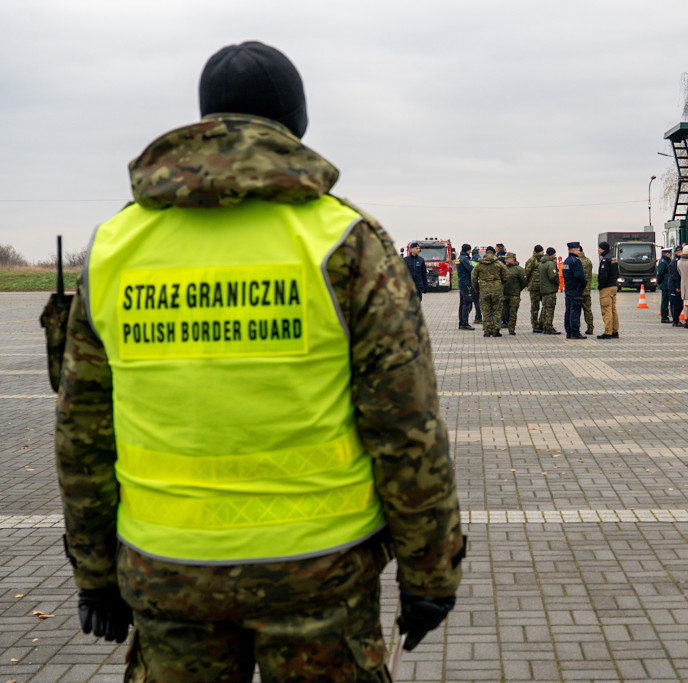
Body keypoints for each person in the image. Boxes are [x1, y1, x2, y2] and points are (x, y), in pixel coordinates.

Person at [52, 41, 464, 682]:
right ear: (295, 124)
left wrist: (94, 574)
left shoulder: (114, 248)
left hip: (166, 570)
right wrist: (430, 571)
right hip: (320, 575)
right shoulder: (345, 243)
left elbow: (82, 433)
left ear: (204, 119)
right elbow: (406, 425)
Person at [471, 246, 509, 337]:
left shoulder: (480, 264)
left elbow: (473, 277)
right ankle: (496, 330)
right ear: (494, 253)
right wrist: (500, 283)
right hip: (497, 290)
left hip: (484, 290)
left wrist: (477, 288)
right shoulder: (498, 263)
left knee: (486, 311)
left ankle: (487, 331)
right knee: (497, 310)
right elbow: (507, 275)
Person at [562, 242, 588, 339]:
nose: (579, 251)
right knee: (575, 311)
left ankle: (569, 331)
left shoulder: (567, 261)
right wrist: (584, 282)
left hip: (568, 288)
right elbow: (578, 275)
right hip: (576, 289)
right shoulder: (576, 261)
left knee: (568, 310)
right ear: (573, 250)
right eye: (578, 249)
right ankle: (575, 332)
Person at [596, 241, 619, 339]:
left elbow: (603, 275)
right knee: (613, 309)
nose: (598, 250)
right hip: (614, 286)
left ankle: (608, 332)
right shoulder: (613, 258)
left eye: (600, 248)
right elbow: (617, 272)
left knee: (606, 309)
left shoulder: (605, 260)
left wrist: (600, 285)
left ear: (604, 249)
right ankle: (615, 331)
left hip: (607, 287)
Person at [502, 253, 528, 335]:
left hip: (514, 295)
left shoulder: (519, 269)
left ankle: (511, 329)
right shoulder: (503, 268)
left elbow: (524, 282)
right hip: (503, 294)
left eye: (507, 258)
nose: (505, 260)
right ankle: (497, 328)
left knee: (513, 312)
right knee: (500, 311)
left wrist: (518, 289)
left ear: (512, 259)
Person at [538, 247, 561, 334]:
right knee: (550, 308)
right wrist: (557, 282)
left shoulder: (541, 263)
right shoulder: (550, 264)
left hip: (543, 288)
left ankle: (542, 323)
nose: (555, 256)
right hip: (550, 289)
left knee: (545, 307)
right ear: (551, 254)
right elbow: (552, 277)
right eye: (554, 254)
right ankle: (548, 327)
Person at [524, 244, 544, 333]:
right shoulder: (531, 260)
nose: (543, 253)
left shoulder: (543, 260)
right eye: (542, 251)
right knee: (535, 307)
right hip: (534, 287)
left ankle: (542, 323)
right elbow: (527, 273)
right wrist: (529, 283)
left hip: (543, 287)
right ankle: (535, 325)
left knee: (546, 305)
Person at [577, 247, 596, 335]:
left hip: (578, 290)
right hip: (587, 290)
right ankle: (590, 327)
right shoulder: (588, 261)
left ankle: (576, 328)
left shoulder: (576, 261)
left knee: (576, 310)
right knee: (587, 310)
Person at [457, 243, 475, 330]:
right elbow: (471, 270)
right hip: (467, 284)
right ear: (467, 250)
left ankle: (461, 322)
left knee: (462, 303)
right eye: (470, 250)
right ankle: (464, 323)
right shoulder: (465, 259)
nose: (470, 252)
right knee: (467, 303)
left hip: (461, 283)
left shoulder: (459, 258)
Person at [668, 245, 683, 326]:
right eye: (678, 252)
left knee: (680, 304)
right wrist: (677, 286)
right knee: (676, 304)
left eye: (680, 251)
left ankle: (676, 319)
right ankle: (675, 320)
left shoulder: (681, 260)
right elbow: (675, 275)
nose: (679, 253)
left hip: (678, 284)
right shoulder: (675, 262)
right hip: (674, 286)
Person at [656, 247, 672, 323]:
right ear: (667, 254)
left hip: (667, 283)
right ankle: (664, 317)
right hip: (665, 284)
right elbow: (660, 274)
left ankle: (665, 316)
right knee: (665, 302)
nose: (670, 255)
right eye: (669, 254)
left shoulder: (667, 261)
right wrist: (659, 282)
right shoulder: (663, 262)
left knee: (666, 301)